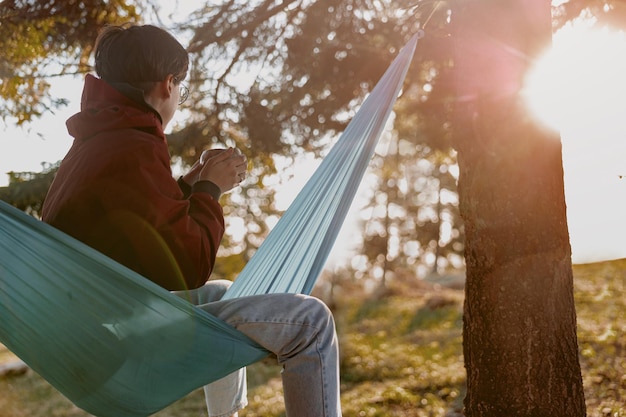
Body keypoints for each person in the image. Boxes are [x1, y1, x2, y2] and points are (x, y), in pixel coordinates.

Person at [42, 23, 342, 417]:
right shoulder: (132, 146)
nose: (181, 96)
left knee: (225, 293)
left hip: (89, 336)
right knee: (311, 321)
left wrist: (190, 182)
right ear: (168, 84)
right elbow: (188, 267)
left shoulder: (98, 141)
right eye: (182, 85)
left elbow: (137, 222)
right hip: (117, 351)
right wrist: (210, 191)